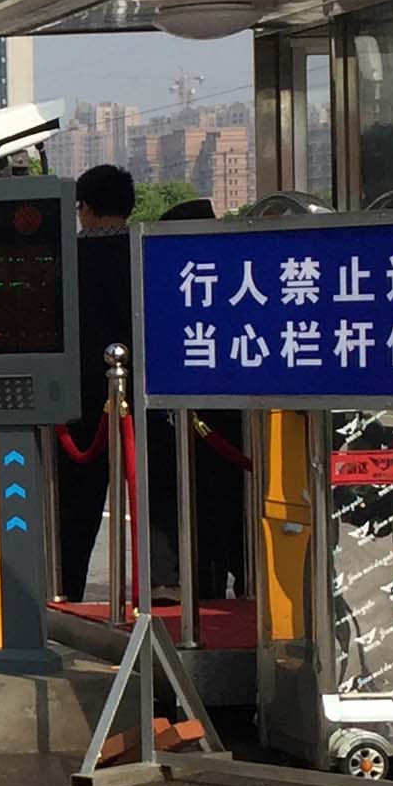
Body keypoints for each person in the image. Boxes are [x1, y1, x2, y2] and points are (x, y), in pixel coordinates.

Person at [148, 196, 248, 601]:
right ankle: (241, 584)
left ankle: (207, 588)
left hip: (206, 422)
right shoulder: (240, 276)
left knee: (208, 511)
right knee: (233, 510)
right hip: (229, 421)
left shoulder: (180, 282)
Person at [56, 163, 135, 601]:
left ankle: (66, 591)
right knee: (153, 502)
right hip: (147, 402)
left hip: (81, 403)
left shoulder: (68, 258)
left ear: (83, 209)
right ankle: (165, 592)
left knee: (76, 509)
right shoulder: (147, 254)